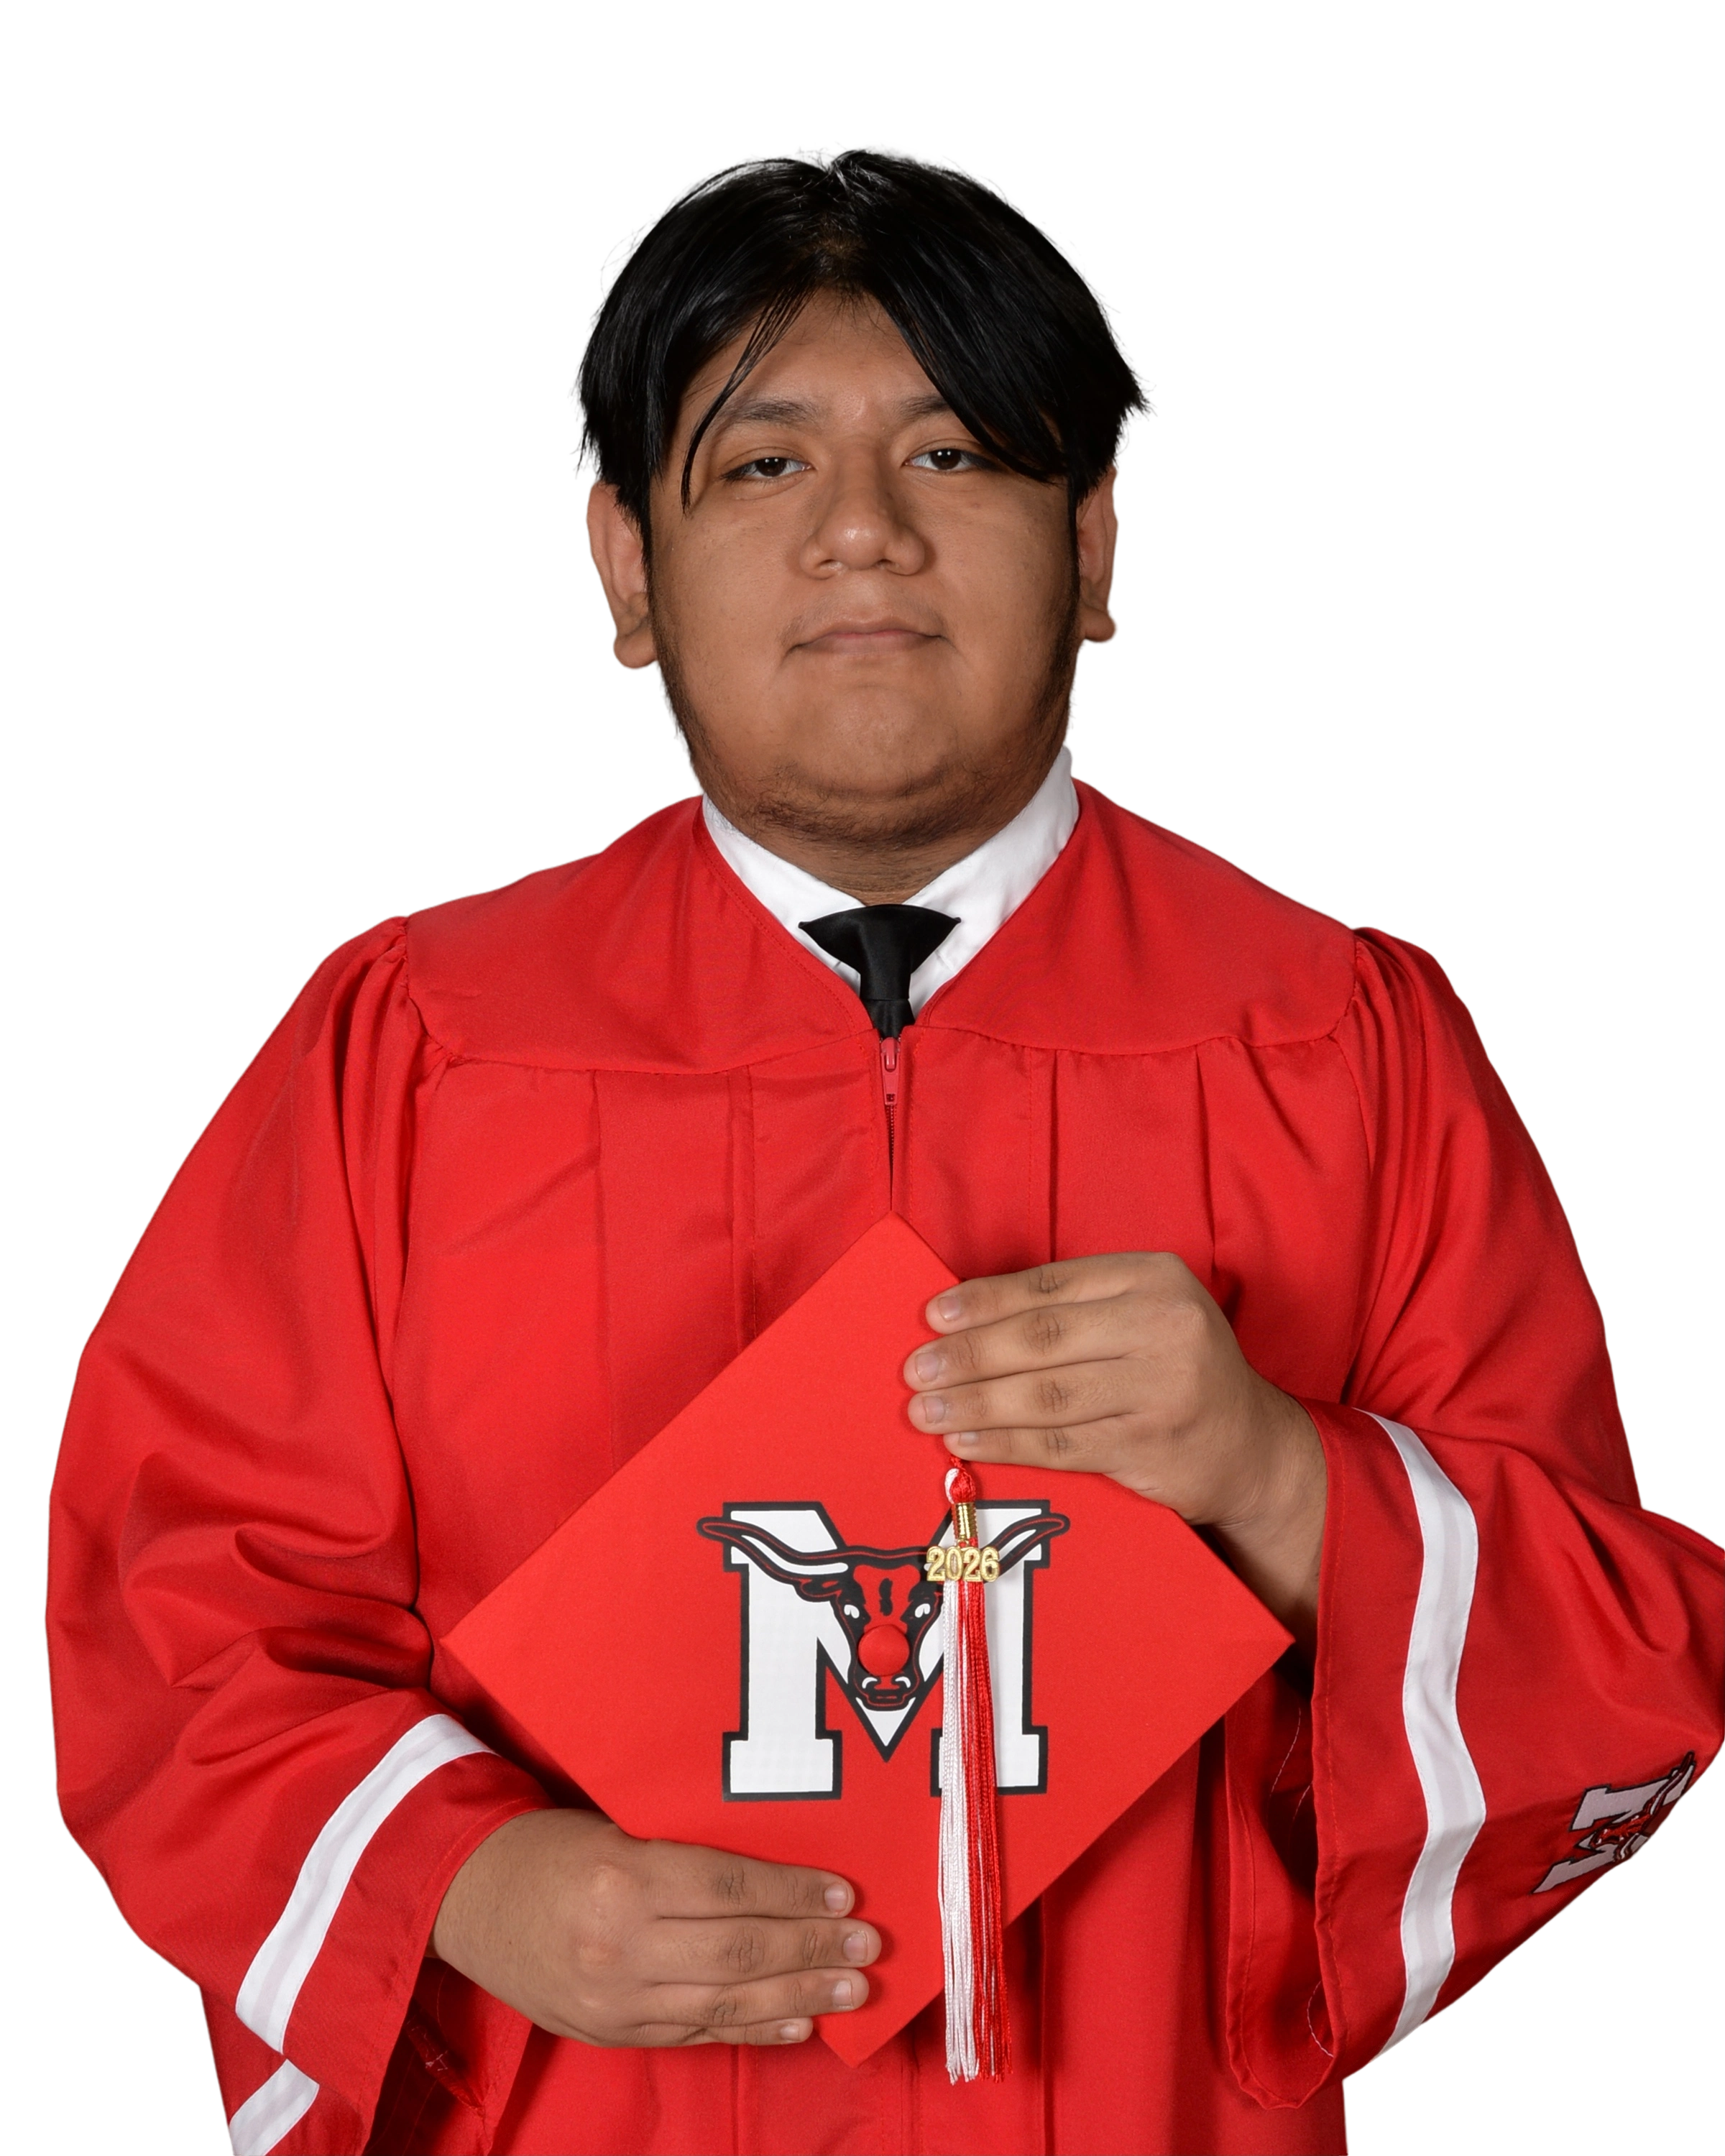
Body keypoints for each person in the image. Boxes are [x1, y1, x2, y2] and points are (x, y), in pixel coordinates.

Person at [45, 142, 1723, 2156]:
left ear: (1094, 543)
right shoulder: (407, 1051)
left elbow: (1608, 1667)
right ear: (623, 566)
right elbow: (175, 1624)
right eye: (765, 463)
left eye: (953, 454)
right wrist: (468, 1883)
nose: (862, 532)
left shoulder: (1341, 1041)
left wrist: (1285, 1476)